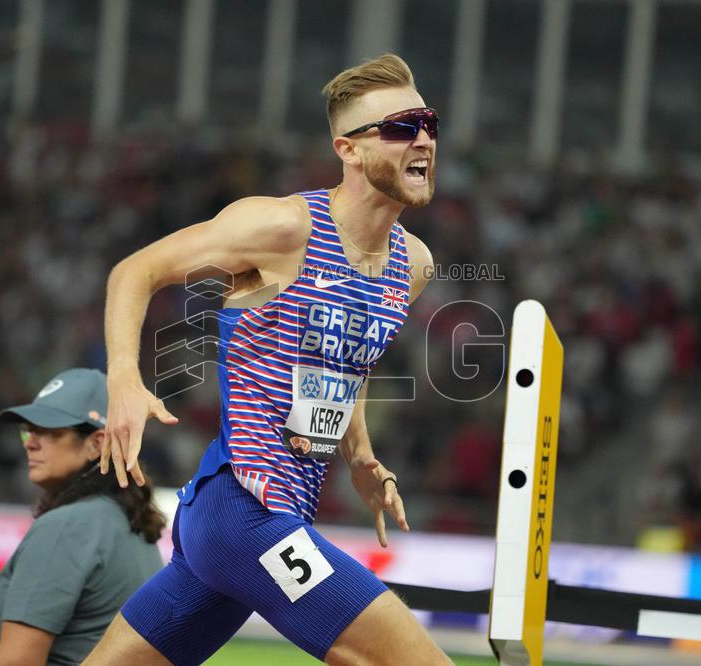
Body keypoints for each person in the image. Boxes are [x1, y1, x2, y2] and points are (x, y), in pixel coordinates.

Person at [85, 54, 452, 665]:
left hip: (264, 522)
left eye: (429, 124)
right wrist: (123, 377)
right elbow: (136, 270)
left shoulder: (413, 265)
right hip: (244, 509)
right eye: (399, 127)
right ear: (350, 150)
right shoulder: (285, 227)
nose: (422, 140)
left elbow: (343, 363)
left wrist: (360, 455)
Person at [0, 368, 165, 665]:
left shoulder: (68, 526)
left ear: (97, 444)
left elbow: (17, 662)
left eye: (50, 431)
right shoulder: (128, 522)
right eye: (28, 429)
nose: (30, 442)